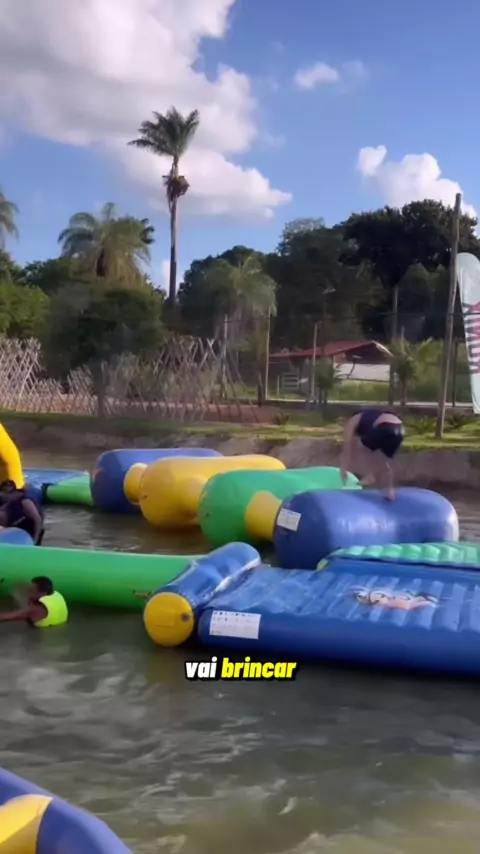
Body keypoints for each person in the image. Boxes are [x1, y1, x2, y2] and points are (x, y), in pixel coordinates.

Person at [340, 408, 405, 500]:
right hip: (400, 430)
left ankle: (370, 475)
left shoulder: (353, 419)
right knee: (384, 461)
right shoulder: (371, 418)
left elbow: (347, 446)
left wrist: (343, 469)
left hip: (385, 427)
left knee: (361, 445)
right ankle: (390, 492)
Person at [0, 576, 68, 627]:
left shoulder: (36, 609)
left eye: (31, 590)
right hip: (58, 620)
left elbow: (6, 617)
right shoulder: (56, 594)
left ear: (42, 593)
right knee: (19, 585)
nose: (28, 592)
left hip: (41, 625)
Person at [0, 480, 45, 545]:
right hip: (16, 529)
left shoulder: (25, 502)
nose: (5, 500)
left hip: (29, 531)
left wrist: (35, 539)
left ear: (13, 492)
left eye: (6, 498)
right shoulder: (11, 502)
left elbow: (38, 520)